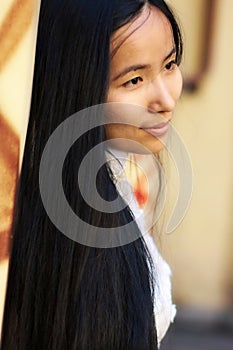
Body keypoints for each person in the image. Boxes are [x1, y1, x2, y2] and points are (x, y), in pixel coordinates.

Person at [0, 0, 183, 349]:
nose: (165, 98)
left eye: (170, 64)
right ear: (75, 84)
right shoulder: (63, 224)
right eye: (135, 79)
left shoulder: (117, 169)